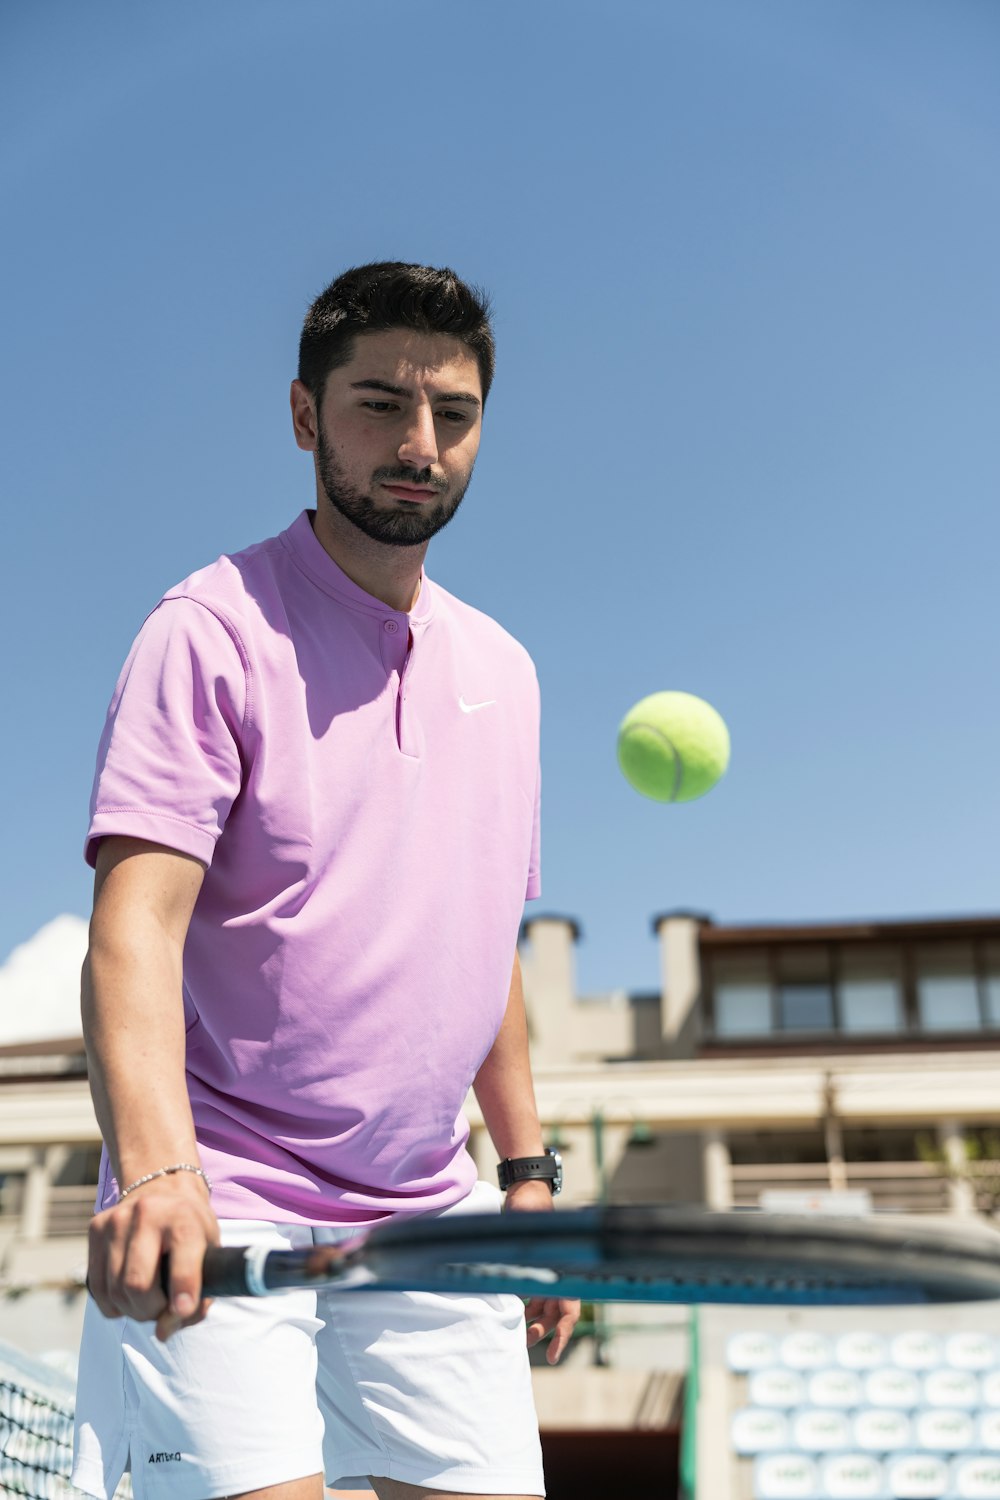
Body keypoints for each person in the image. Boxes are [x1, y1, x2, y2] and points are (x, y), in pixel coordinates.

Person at [72, 262, 578, 1500]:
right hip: (226, 1189)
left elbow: (480, 946)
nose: (419, 444)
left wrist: (525, 1175)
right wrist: (157, 1172)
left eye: (452, 415)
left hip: (427, 1204)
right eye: (379, 406)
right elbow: (133, 927)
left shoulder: (506, 673)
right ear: (305, 417)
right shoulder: (207, 628)